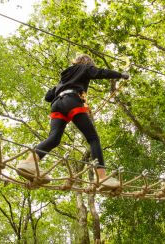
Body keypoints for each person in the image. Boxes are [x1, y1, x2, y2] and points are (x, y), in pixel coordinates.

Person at [17, 54, 129, 188]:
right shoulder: (85, 68)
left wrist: (59, 87)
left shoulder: (63, 79)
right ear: (88, 63)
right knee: (93, 139)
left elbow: (48, 96)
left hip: (57, 105)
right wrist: (120, 75)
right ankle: (102, 177)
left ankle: (29, 162)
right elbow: (100, 72)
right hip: (71, 101)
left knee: (54, 139)